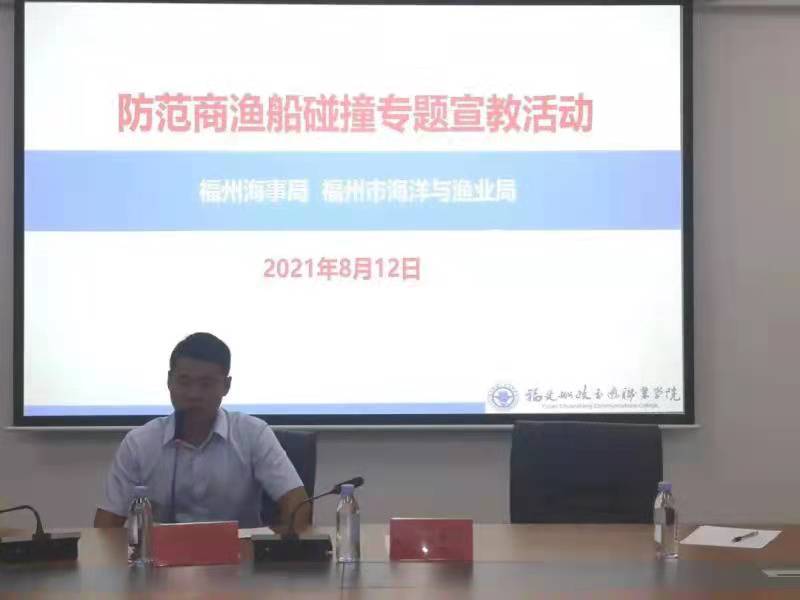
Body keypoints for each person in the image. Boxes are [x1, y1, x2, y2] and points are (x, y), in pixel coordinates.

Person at [93, 332, 310, 532]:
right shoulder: (139, 443)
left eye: (206, 384)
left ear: (226, 386)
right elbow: (106, 526)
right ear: (169, 381)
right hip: (162, 559)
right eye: (184, 382)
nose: (194, 394)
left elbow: (298, 505)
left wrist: (274, 550)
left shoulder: (253, 434)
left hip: (239, 557)